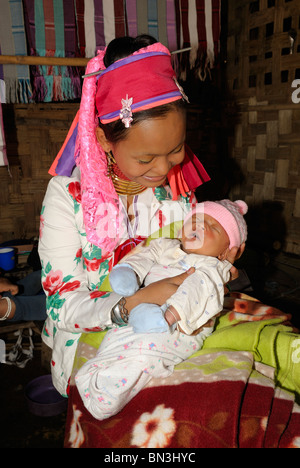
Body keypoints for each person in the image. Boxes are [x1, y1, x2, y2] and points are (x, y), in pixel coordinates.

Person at [38, 35, 244, 398]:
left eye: (176, 150)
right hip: (93, 342)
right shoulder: (66, 198)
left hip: (174, 330)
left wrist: (219, 265)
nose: (164, 168)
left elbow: (194, 262)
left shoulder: (178, 188)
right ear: (104, 140)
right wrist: (134, 303)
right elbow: (63, 306)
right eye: (146, 159)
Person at [74, 199, 248, 420]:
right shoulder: (167, 245)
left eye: (213, 227)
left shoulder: (212, 266)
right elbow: (145, 255)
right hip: (139, 315)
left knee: (145, 354)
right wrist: (128, 271)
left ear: (225, 252)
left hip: (177, 329)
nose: (201, 226)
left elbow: (198, 289)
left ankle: (107, 400)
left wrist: (169, 316)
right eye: (195, 220)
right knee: (114, 343)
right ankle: (96, 374)